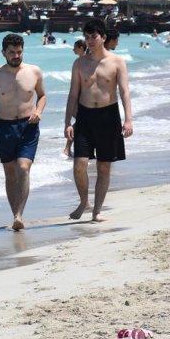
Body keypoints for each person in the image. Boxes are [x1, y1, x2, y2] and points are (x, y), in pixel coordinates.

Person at [64, 19, 133, 223]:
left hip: (108, 116)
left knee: (104, 166)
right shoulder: (79, 63)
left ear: (103, 37)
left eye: (94, 37)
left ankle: (97, 211)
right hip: (85, 117)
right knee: (79, 164)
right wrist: (68, 122)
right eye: (87, 37)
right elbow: (72, 95)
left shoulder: (117, 62)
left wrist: (128, 119)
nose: (90, 41)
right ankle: (84, 201)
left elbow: (124, 92)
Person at [0, 34, 46, 231]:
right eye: (12, 52)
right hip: (4, 127)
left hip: (28, 126)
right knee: (10, 173)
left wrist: (38, 111)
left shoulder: (34, 71)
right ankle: (15, 215)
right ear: (3, 53)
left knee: (24, 168)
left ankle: (19, 214)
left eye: (19, 52)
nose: (16, 55)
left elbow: (42, 96)